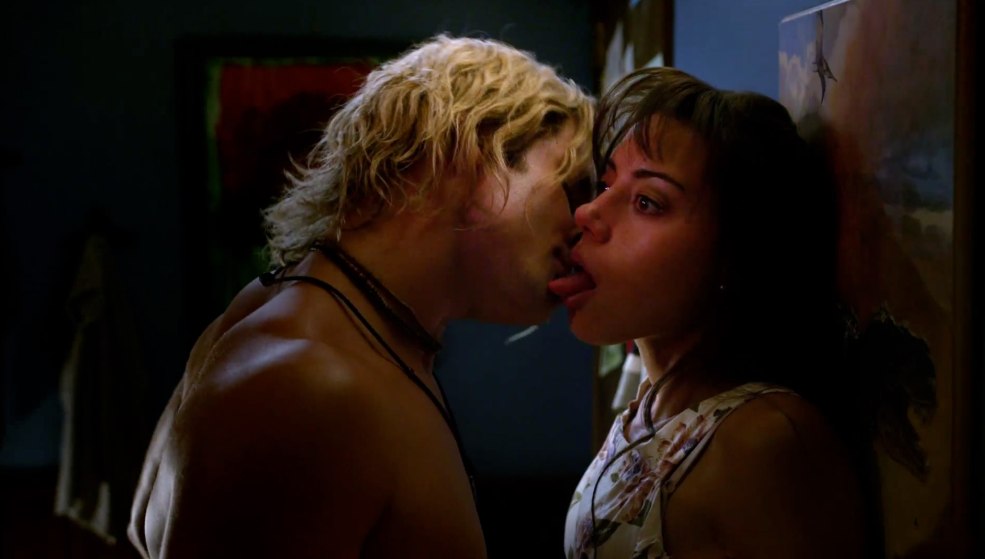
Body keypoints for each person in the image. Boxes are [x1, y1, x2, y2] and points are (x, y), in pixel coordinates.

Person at [128, 34, 594, 559]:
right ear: (470, 155)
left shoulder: (309, 317)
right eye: (573, 187)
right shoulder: (308, 387)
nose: (584, 226)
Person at [551, 66, 880, 558]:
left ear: (734, 254)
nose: (588, 213)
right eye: (606, 184)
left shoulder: (763, 442)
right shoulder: (651, 405)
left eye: (647, 202)